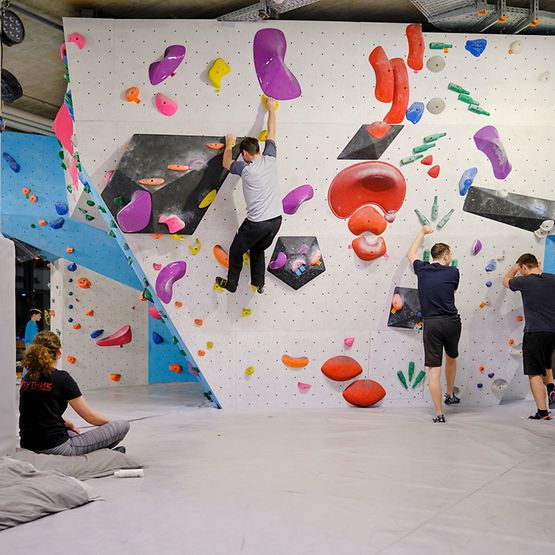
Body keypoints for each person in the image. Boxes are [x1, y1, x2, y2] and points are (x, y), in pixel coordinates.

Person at [19, 331, 130, 455]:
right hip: (56, 447)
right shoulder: (61, 378)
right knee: (122, 425)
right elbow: (90, 416)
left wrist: (65, 422)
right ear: (59, 352)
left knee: (71, 430)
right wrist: (112, 427)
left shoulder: (27, 377)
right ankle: (100, 455)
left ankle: (102, 452)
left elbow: (36, 412)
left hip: (28, 443)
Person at [215, 97, 282, 294]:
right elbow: (272, 132)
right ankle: (259, 284)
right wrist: (271, 109)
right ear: (259, 150)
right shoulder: (270, 158)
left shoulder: (246, 170)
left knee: (236, 251)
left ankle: (232, 285)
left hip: (257, 223)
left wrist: (228, 145)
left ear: (245, 153)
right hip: (276, 220)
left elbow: (226, 164)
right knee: (258, 249)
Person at [407, 226, 462, 423]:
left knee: (433, 369)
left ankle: (439, 414)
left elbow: (410, 253)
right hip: (451, 322)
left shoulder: (421, 269)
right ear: (446, 256)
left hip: (431, 323)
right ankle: (449, 394)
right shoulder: (454, 272)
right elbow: (451, 291)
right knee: (452, 357)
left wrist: (421, 232)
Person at [502, 253, 555, 420]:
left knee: (534, 373)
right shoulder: (553, 279)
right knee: (547, 364)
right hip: (553, 331)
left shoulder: (524, 281)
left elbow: (506, 281)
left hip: (535, 332)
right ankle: (552, 388)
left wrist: (516, 267)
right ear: (537, 263)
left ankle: (543, 412)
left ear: (524, 266)